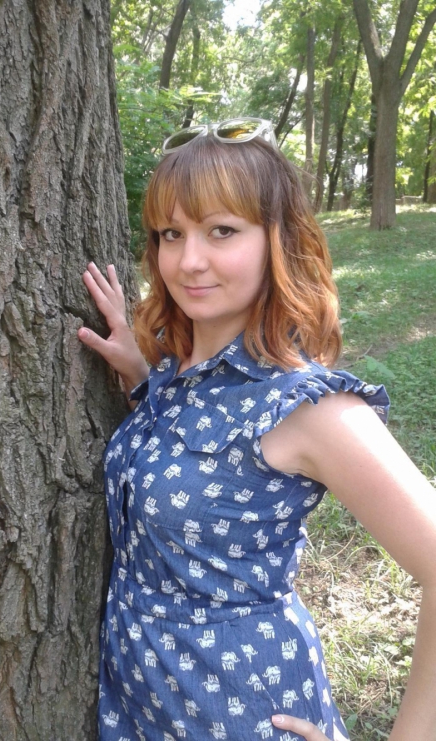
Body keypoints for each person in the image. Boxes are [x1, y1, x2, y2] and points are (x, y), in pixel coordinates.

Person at [78, 118, 436, 741]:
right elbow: (190, 461)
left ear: (277, 239)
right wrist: (140, 375)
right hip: (140, 707)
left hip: (242, 713)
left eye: (222, 230)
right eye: (171, 234)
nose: (189, 261)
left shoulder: (308, 407)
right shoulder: (177, 373)